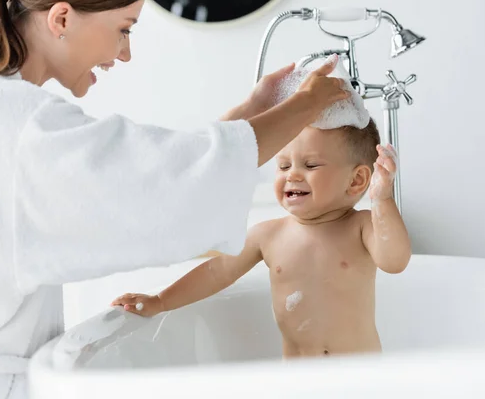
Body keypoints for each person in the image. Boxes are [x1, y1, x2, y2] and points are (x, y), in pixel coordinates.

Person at [0, 0, 350, 397]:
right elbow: (158, 186)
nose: (125, 53)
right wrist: (307, 103)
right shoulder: (15, 119)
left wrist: (255, 109)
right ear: (62, 18)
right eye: (124, 29)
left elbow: (154, 175)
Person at [112, 120, 412, 358]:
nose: (292, 175)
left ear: (357, 180)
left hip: (360, 382)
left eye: (310, 165)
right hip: (298, 384)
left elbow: (395, 261)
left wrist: (382, 200)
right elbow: (217, 273)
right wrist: (161, 300)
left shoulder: (361, 227)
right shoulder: (268, 235)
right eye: (283, 166)